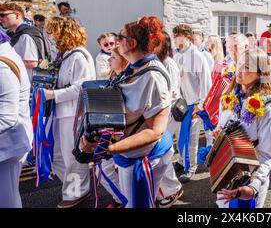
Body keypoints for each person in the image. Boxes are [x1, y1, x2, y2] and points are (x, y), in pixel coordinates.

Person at [81, 16, 174, 208]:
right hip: (128, 154)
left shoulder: (153, 77)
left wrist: (108, 149)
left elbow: (155, 131)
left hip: (145, 157)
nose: (116, 40)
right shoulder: (133, 68)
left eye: (120, 36)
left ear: (131, 43)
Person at [215, 49, 271, 208]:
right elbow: (221, 124)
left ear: (260, 73)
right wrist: (218, 134)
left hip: (247, 180)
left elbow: (267, 155)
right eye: (239, 64)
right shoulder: (229, 93)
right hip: (225, 172)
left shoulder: (268, 108)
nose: (239, 70)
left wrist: (253, 187)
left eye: (246, 67)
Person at [42, 17, 95, 208]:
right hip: (60, 111)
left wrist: (52, 94)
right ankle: (74, 187)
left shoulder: (79, 56)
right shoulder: (66, 55)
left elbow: (81, 87)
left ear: (64, 33)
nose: (50, 36)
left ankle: (76, 192)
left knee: (71, 156)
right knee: (58, 155)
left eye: (52, 32)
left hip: (72, 113)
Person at [173, 24, 212, 183]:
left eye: (178, 36)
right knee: (179, 136)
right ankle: (182, 161)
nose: (175, 39)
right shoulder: (176, 55)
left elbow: (206, 84)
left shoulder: (197, 56)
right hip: (179, 104)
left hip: (193, 104)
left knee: (191, 138)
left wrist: (199, 105)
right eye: (174, 36)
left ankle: (191, 168)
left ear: (188, 37)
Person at [0, 30, 33, 208]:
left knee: (6, 198)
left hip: (7, 145)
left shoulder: (2, 66)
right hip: (8, 143)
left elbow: (6, 118)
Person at [155, 31, 184, 208]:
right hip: (161, 113)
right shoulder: (158, 62)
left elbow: (172, 92)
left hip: (169, 113)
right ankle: (166, 187)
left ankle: (172, 187)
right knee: (161, 152)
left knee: (164, 151)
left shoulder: (169, 63)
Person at [0, 2, 50, 80]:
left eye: (3, 15)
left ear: (17, 15)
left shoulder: (26, 34)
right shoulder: (13, 34)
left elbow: (32, 63)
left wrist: (4, 62)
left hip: (29, 83)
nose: (0, 19)